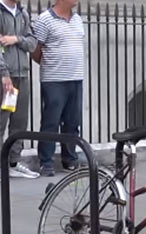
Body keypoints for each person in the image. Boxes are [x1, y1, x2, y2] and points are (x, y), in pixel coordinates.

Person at [31, 0, 84, 177]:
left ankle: (70, 159)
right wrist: (51, 65)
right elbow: (35, 50)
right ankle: (46, 162)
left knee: (72, 121)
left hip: (76, 78)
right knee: (51, 122)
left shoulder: (77, 19)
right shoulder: (44, 20)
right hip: (54, 79)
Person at [0, 0, 38, 178]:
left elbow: (32, 43)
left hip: (22, 75)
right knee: (1, 122)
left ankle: (14, 163)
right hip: (6, 77)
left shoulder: (23, 13)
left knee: (19, 123)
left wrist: (15, 39)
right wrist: (3, 73)